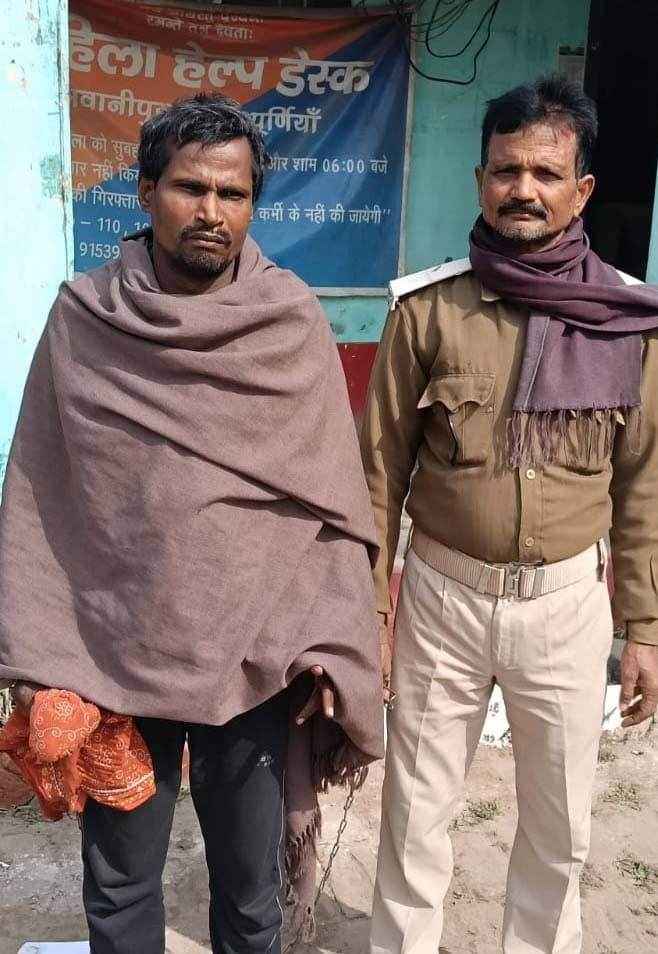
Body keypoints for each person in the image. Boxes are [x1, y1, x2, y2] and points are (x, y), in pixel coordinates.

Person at [0, 93, 384, 954]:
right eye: (190, 187)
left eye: (232, 193)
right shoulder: (85, 318)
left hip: (253, 660)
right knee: (120, 887)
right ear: (146, 192)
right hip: (111, 659)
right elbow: (38, 490)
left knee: (250, 893)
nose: (212, 211)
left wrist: (332, 640)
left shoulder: (287, 322)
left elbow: (327, 502)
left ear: (252, 204)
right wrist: (38, 653)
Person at [362, 74, 658, 954]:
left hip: (568, 607)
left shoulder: (630, 321)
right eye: (505, 170)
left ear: (582, 190)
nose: (522, 189)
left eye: (545, 172)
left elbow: (643, 483)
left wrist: (644, 627)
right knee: (414, 815)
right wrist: (370, 608)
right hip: (441, 598)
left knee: (560, 826)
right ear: (481, 178)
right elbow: (377, 470)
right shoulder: (427, 311)